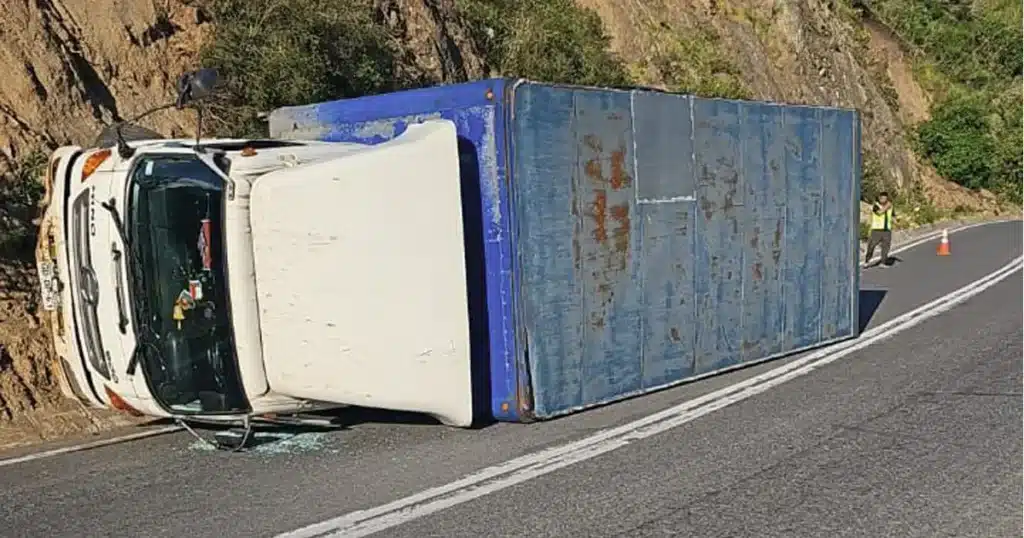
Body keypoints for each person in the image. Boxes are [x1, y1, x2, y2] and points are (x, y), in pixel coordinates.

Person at [865, 191, 895, 267]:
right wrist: (887, 207)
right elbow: (879, 213)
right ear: (879, 198)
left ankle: (883, 262)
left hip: (886, 230)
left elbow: (893, 216)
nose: (883, 199)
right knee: (871, 246)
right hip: (876, 230)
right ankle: (867, 260)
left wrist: (896, 220)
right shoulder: (876, 205)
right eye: (882, 197)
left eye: (885, 197)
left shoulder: (890, 206)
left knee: (886, 246)